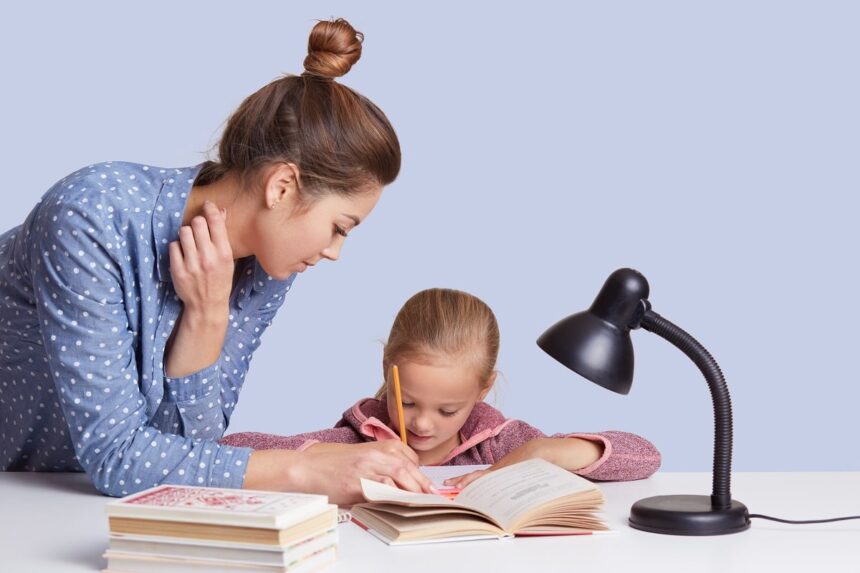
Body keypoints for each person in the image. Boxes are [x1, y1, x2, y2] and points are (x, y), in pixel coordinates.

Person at [0, 18, 436, 504]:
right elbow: (118, 458)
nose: (335, 252)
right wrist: (305, 467)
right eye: (339, 227)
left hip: (61, 502)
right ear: (282, 187)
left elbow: (191, 451)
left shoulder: (267, 266)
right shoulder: (91, 216)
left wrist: (205, 318)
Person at [221, 288, 662, 488]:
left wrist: (546, 451)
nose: (423, 424)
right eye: (407, 401)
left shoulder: (500, 443)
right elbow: (225, 452)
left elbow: (644, 456)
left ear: (484, 390)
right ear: (387, 369)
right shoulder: (356, 442)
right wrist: (320, 458)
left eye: (448, 410)